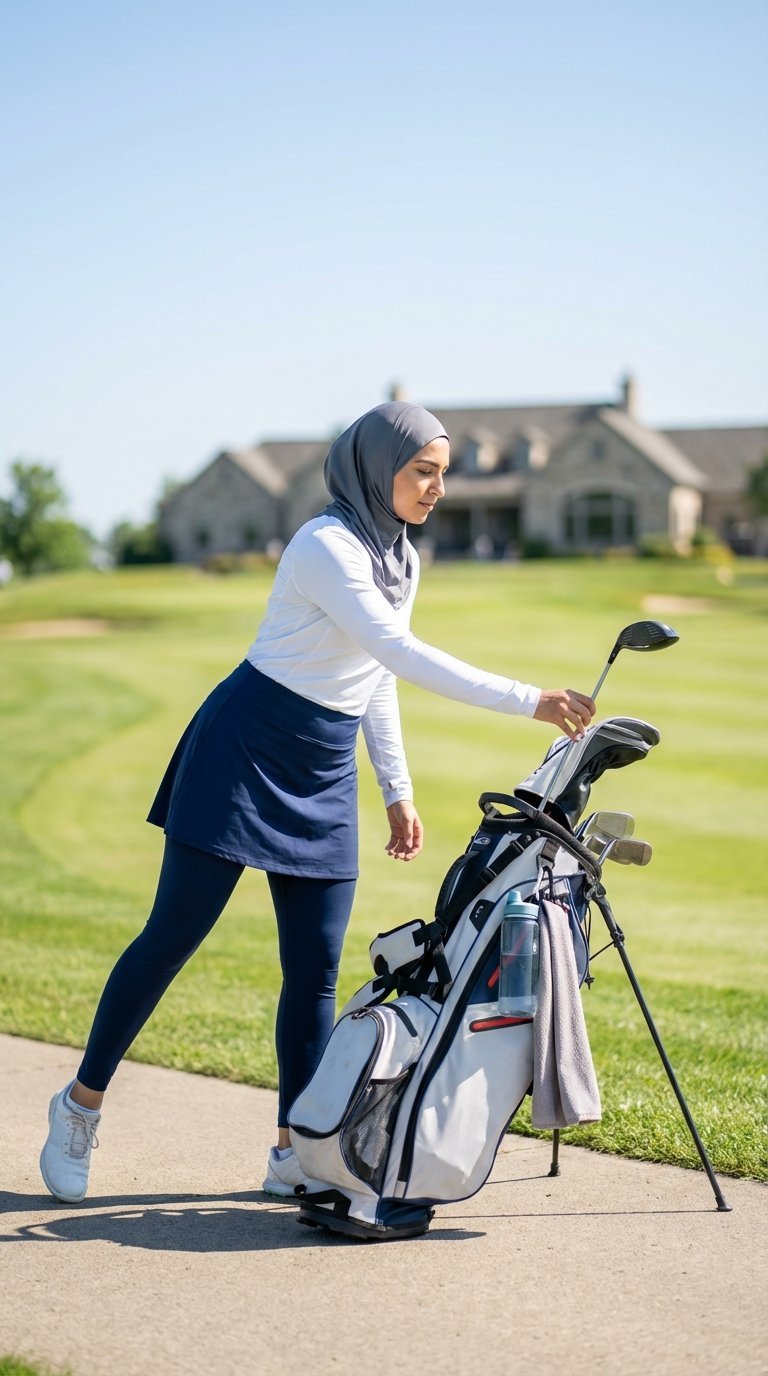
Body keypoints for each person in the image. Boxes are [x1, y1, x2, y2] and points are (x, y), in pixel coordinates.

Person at [39, 401, 595, 1204]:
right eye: (423, 471)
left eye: (443, 472)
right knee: (172, 938)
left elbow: (370, 680)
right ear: (379, 469)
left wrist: (395, 788)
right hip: (243, 751)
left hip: (324, 768)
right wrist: (527, 698)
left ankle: (291, 1151)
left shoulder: (400, 556)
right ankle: (78, 1106)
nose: (438, 487)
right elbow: (397, 652)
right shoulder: (325, 545)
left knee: (315, 971)